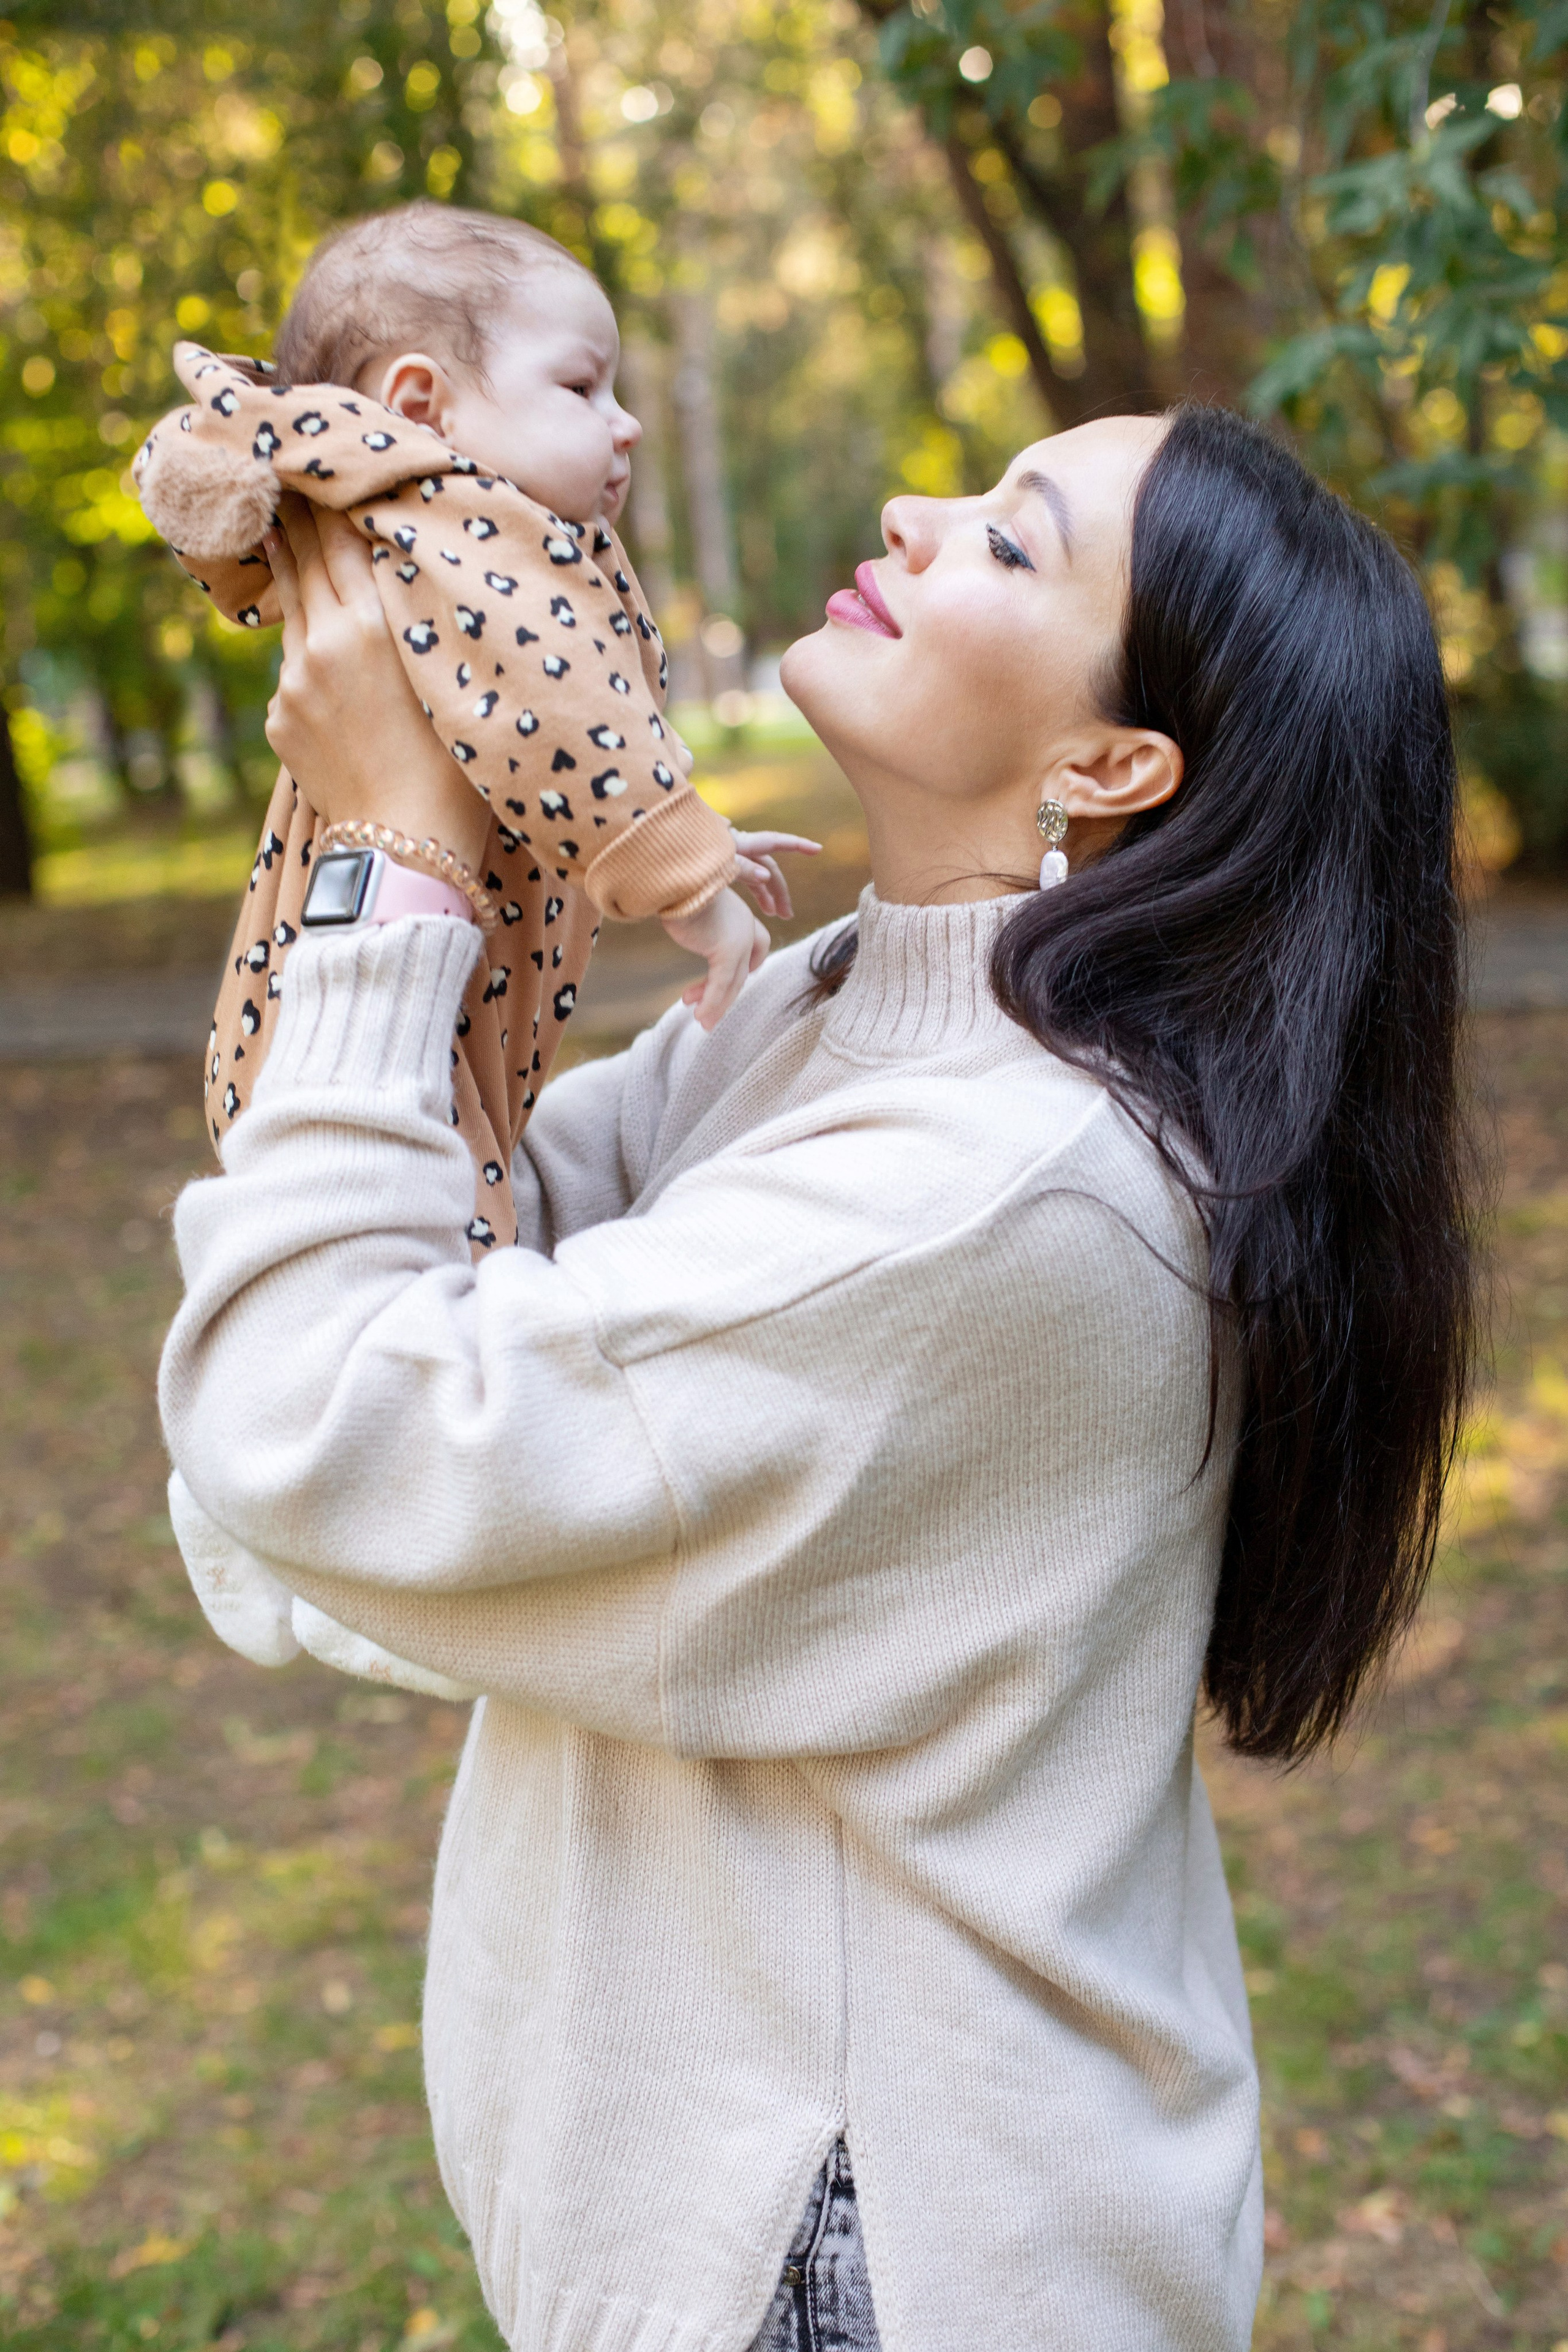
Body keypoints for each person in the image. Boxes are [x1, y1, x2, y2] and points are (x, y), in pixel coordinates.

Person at [159, 403, 1474, 2352]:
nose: (911, 513)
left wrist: (391, 878)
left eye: (1014, 544)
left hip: (857, 2255)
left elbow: (322, 1424)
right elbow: (360, 1382)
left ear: (1113, 762)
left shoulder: (997, 1199)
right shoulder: (838, 1008)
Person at [135, 202, 813, 1250]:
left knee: (452, 1204)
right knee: (447, 1235)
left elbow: (529, 736)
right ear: (425, 404)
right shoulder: (466, 527)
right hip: (398, 993)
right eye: (582, 386)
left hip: (371, 977)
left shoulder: (412, 533)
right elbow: (563, 712)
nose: (623, 421)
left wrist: (698, 833)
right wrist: (690, 883)